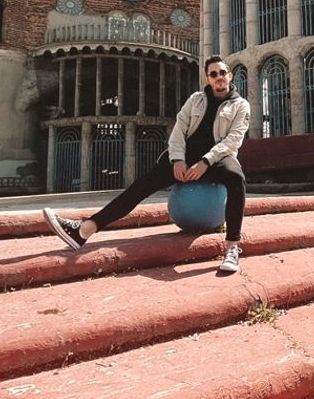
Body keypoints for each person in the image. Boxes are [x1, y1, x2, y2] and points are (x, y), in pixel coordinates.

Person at [43, 55, 250, 273]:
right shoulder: (195, 100)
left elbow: (233, 139)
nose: (219, 77)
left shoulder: (240, 105)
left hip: (216, 160)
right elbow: (179, 131)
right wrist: (178, 159)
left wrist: (206, 162)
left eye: (222, 73)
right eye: (213, 74)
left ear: (230, 75)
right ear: (208, 78)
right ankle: (85, 230)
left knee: (236, 178)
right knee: (141, 185)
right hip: (186, 158)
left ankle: (232, 248)